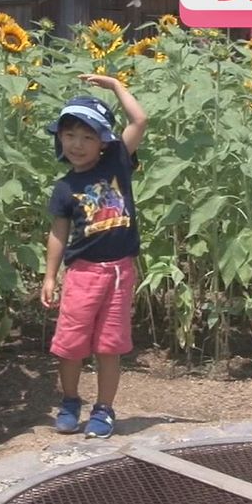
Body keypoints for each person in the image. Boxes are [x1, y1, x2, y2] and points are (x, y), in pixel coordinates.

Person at [41, 74, 148, 438]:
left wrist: (116, 87)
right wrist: (50, 276)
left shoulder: (117, 161)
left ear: (103, 142)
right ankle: (70, 400)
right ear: (59, 138)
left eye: (88, 136)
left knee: (109, 346)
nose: (78, 144)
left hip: (120, 272)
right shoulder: (65, 188)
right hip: (83, 273)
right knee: (71, 345)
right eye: (70, 135)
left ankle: (104, 409)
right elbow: (58, 233)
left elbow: (140, 121)